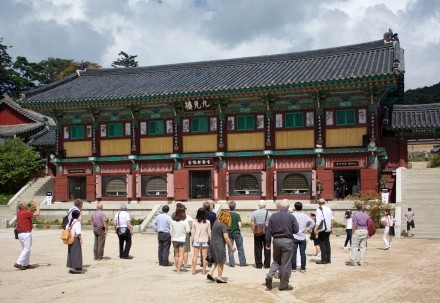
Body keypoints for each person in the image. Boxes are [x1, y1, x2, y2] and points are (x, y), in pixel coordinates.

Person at [265, 199, 299, 291]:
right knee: (286, 263)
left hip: (276, 240)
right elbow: (296, 230)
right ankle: (284, 285)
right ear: (288, 207)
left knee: (276, 261)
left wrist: (268, 243)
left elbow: (268, 231)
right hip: (287, 240)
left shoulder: (273, 216)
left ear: (279, 207)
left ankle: (269, 275)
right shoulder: (291, 217)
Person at [207, 210, 236, 283]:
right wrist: (231, 246)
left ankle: (210, 273)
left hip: (212, 244)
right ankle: (219, 278)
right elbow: (226, 237)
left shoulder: (215, 223)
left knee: (216, 260)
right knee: (221, 261)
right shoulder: (223, 225)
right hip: (219, 245)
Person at [14, 200, 40, 270]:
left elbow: (28, 212)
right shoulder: (25, 212)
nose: (26, 204)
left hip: (21, 233)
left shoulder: (20, 212)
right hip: (26, 233)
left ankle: (25, 264)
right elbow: (37, 214)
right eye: (24, 203)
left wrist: (32, 207)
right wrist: (38, 206)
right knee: (27, 249)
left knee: (25, 249)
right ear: (22, 206)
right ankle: (18, 262)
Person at [291, 202, 314, 273]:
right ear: (301, 207)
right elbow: (313, 223)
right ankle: (303, 268)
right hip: (302, 235)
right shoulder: (305, 216)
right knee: (302, 253)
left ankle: (294, 267)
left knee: (293, 253)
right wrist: (308, 228)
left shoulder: (292, 215)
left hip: (294, 235)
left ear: (295, 207)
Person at [347, 202, 370, 266]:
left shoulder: (355, 215)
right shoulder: (366, 215)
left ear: (356, 207)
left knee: (354, 246)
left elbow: (354, 225)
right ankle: (361, 261)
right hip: (365, 231)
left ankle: (353, 261)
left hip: (358, 230)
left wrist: (353, 232)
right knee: (363, 247)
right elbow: (369, 224)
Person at [251, 200, 271, 269]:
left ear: (258, 205)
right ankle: (267, 264)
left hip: (257, 232)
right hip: (267, 232)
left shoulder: (254, 213)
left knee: (257, 248)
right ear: (265, 205)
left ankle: (259, 265)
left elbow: (252, 224)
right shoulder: (269, 213)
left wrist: (254, 231)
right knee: (267, 248)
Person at [169, 204, 190, 273]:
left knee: (176, 254)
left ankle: (177, 266)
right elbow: (188, 230)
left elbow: (170, 231)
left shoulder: (172, 221)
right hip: (182, 239)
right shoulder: (184, 221)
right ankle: (178, 269)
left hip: (174, 239)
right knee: (181, 255)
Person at [190, 207, 211, 275]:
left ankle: (193, 270)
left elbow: (193, 232)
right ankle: (204, 271)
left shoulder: (194, 221)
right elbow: (209, 232)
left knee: (195, 256)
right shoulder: (208, 222)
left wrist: (192, 240)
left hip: (196, 239)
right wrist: (210, 239)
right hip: (205, 239)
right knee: (205, 256)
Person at [227, 201, 248, 267]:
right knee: (240, 248)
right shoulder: (237, 215)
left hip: (229, 232)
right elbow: (240, 225)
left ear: (229, 207)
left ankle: (232, 263)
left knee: (230, 247)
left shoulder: (226, 215)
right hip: (236, 232)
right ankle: (242, 262)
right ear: (235, 207)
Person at [314, 198, 334, 264]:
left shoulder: (319, 209)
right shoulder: (329, 209)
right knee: (327, 243)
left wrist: (315, 229)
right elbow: (332, 219)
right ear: (324, 203)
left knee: (322, 243)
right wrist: (331, 228)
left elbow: (319, 220)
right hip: (328, 228)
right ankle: (328, 259)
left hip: (322, 229)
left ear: (318, 203)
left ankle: (324, 260)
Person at [203, 201, 216, 267]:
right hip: (211, 230)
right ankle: (210, 261)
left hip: (203, 231)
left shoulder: (201, 214)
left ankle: (203, 261)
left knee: (203, 247)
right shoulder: (213, 214)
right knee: (210, 247)